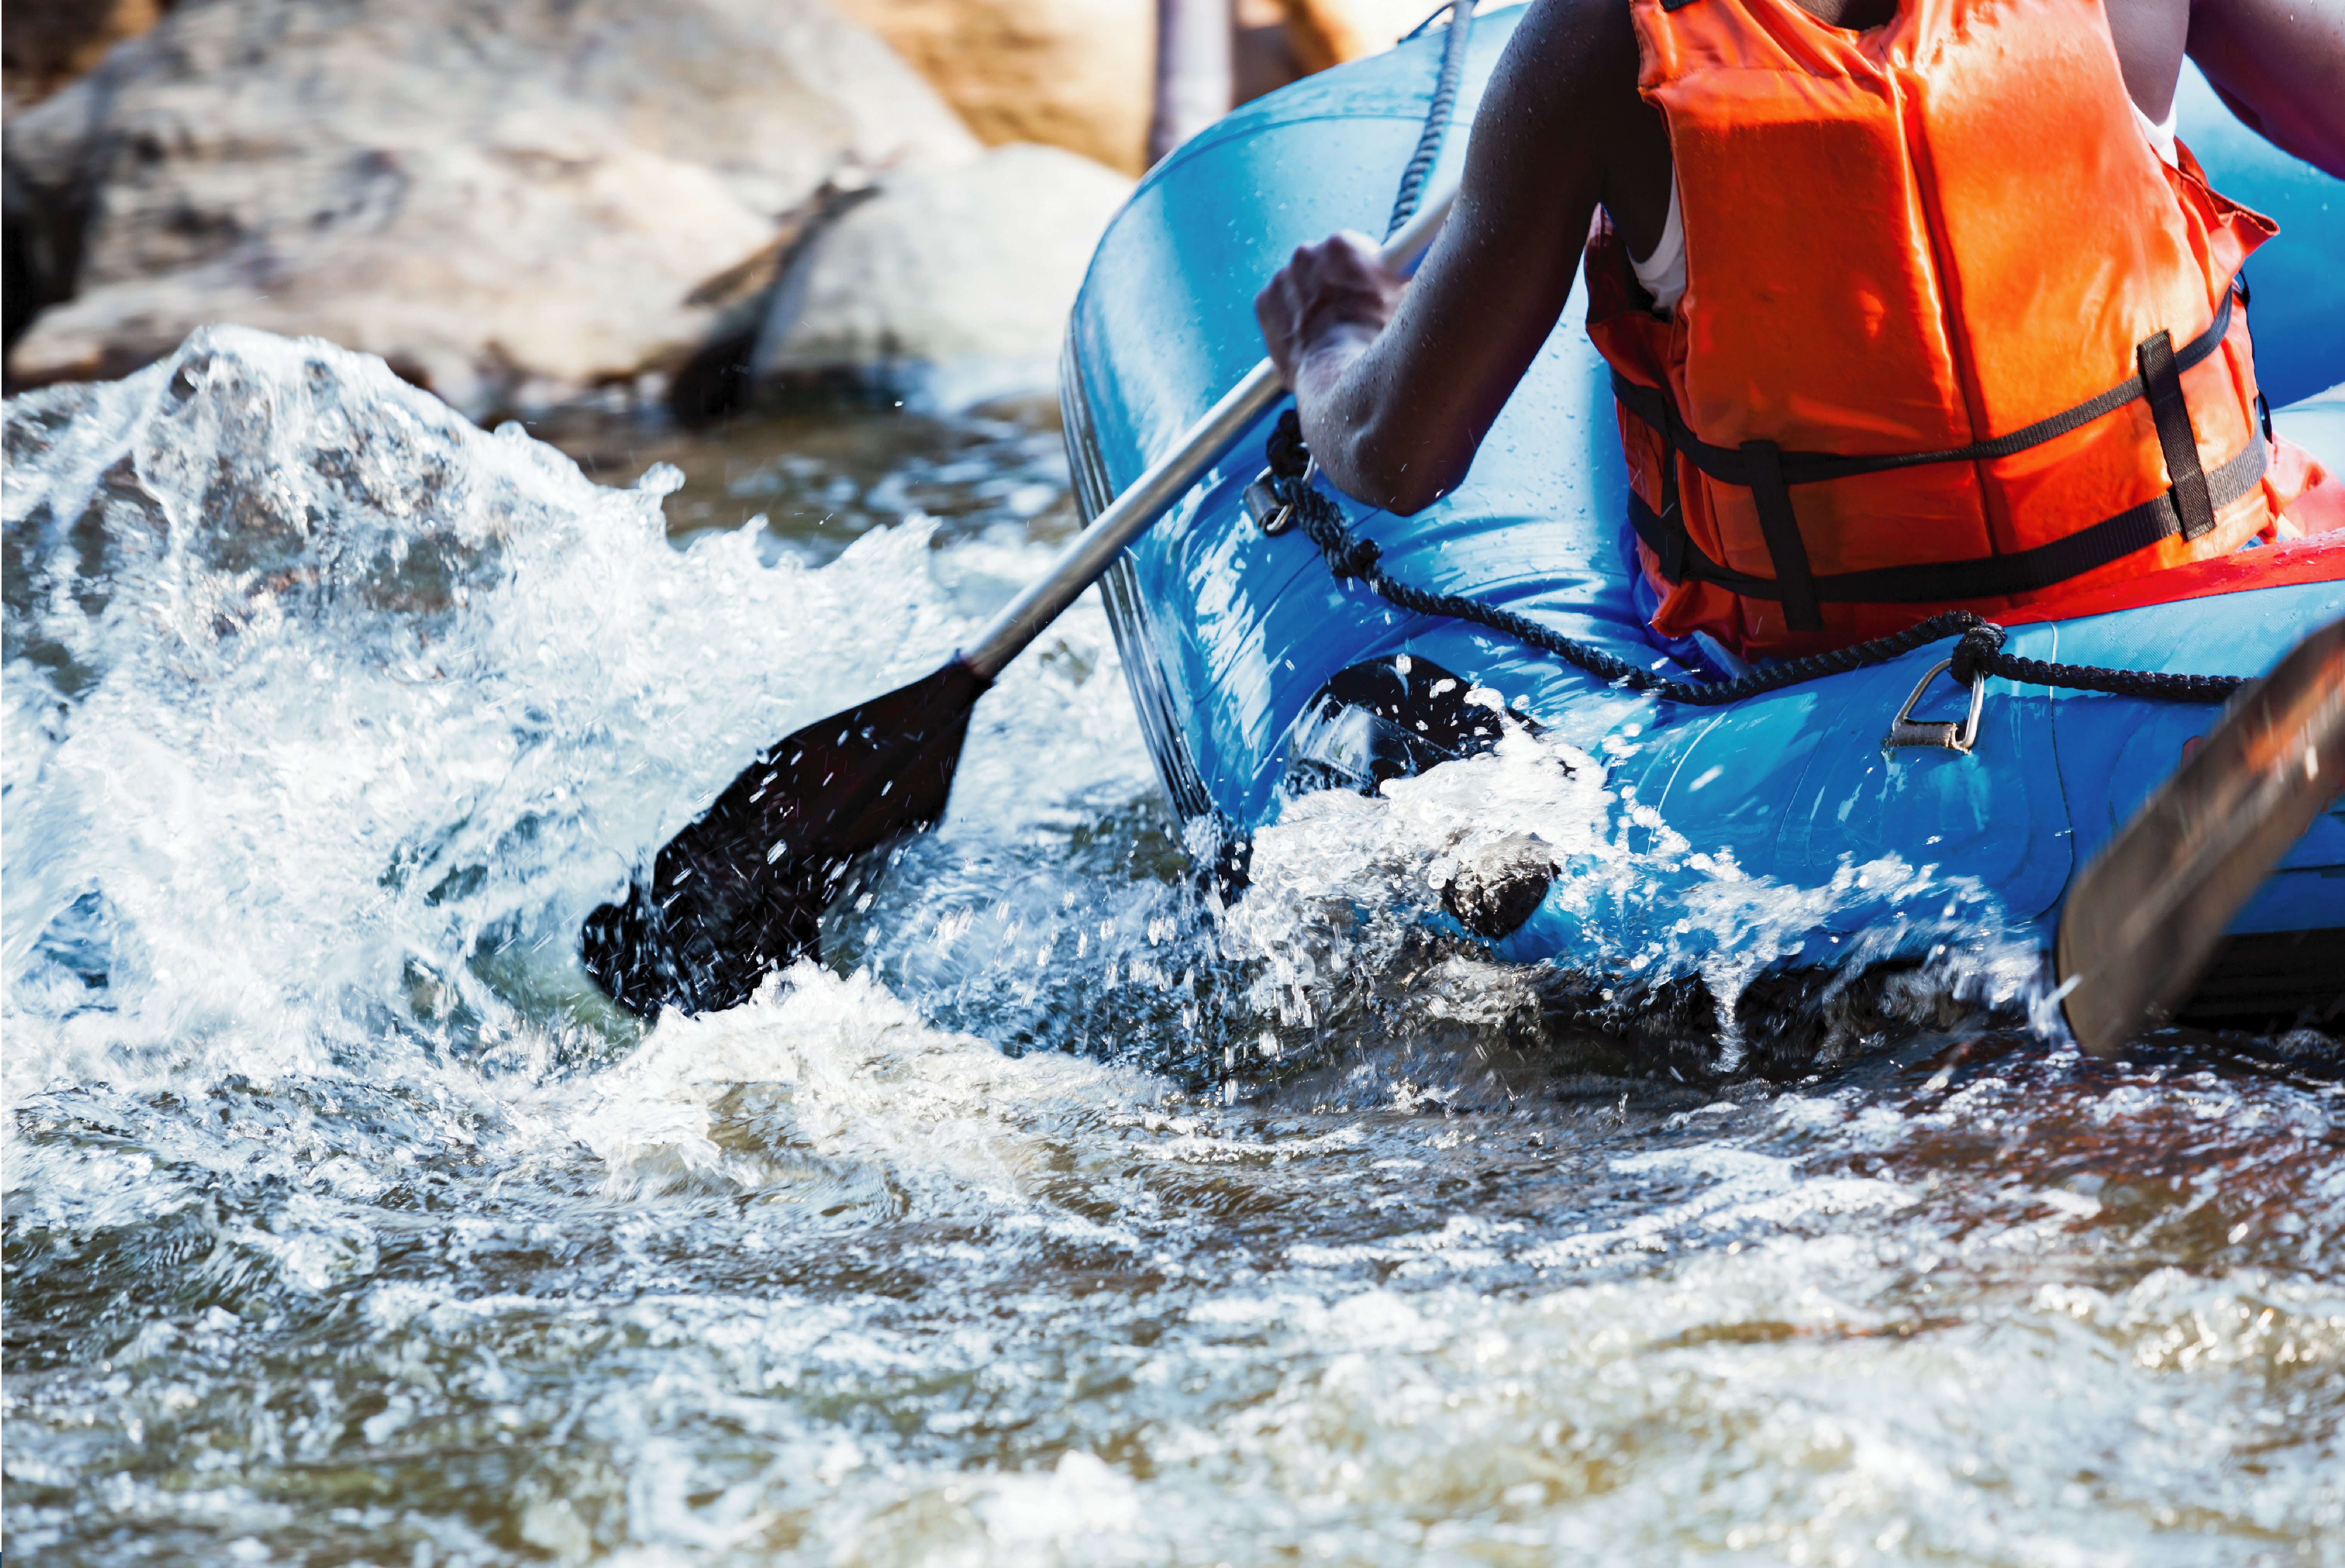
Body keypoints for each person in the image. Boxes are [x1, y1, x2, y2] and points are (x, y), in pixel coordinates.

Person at [1254, 0, 2345, 659]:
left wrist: (1331, 335)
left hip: (1826, 686)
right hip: (2208, 596)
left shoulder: (1595, 44)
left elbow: (1397, 452)